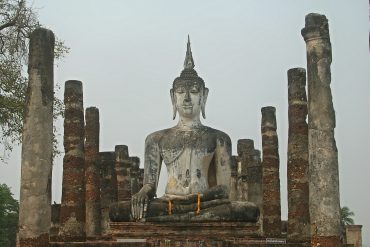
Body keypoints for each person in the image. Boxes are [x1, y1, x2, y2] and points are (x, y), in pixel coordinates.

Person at [109, 37, 259, 222]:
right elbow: (150, 185)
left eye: (194, 92)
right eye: (181, 92)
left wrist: (193, 200)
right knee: (118, 211)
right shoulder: (156, 139)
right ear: (173, 97)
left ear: (204, 96)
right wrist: (142, 193)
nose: (187, 98)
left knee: (248, 211)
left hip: (203, 203)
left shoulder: (219, 138)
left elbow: (224, 190)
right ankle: (188, 218)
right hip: (168, 203)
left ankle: (181, 218)